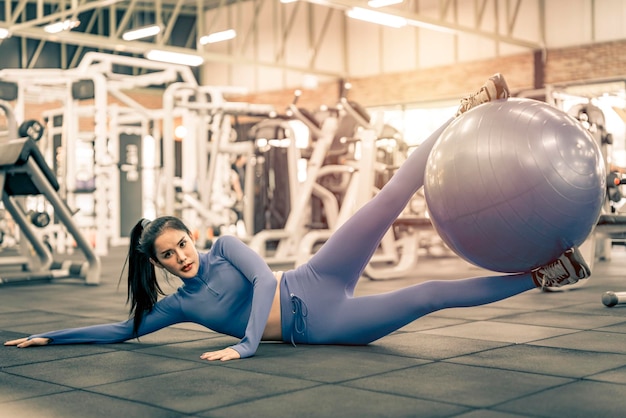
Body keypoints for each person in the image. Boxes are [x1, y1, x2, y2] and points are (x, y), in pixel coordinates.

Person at [4, 74, 591, 361]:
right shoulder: (179, 306)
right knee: (427, 293)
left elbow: (264, 282)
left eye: (182, 243)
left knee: (383, 201)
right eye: (169, 256)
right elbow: (124, 332)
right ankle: (542, 276)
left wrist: (247, 346)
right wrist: (50, 335)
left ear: (192, 237)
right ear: (158, 265)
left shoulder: (228, 246)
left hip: (311, 278)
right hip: (324, 325)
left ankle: (468, 110)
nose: (182, 256)